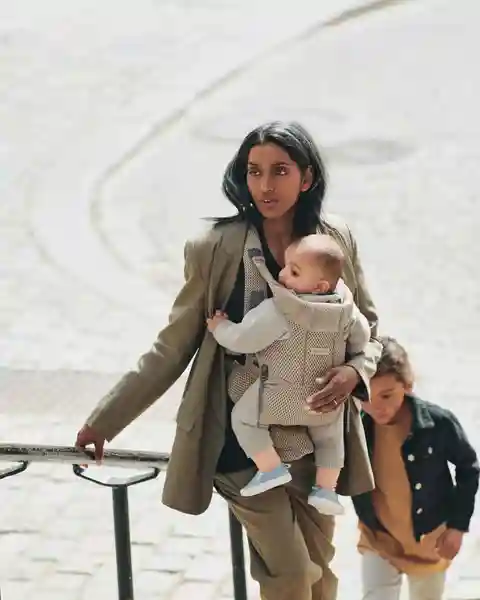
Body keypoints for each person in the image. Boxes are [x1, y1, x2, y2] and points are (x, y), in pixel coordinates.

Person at [75, 121, 381, 600]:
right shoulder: (215, 248)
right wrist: (105, 420)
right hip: (241, 442)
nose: (265, 185)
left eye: (280, 171)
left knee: (320, 575)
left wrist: (354, 372)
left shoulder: (333, 240)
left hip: (315, 441)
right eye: (254, 171)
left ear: (307, 178)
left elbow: (367, 326)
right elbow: (173, 345)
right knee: (291, 575)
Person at [206, 233, 370, 516]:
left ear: (319, 286)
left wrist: (219, 327)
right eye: (285, 267)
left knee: (243, 419)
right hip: (324, 398)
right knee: (330, 439)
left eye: (293, 272)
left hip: (277, 397)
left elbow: (243, 339)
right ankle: (326, 489)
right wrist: (351, 364)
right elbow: (363, 338)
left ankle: (270, 468)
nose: (282, 275)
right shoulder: (347, 311)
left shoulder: (279, 311)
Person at [353, 336, 479, 600]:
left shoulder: (437, 424)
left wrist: (457, 526)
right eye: (366, 396)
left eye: (387, 395)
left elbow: (468, 468)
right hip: (379, 536)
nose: (377, 406)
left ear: (407, 385)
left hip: (429, 540)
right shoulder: (358, 427)